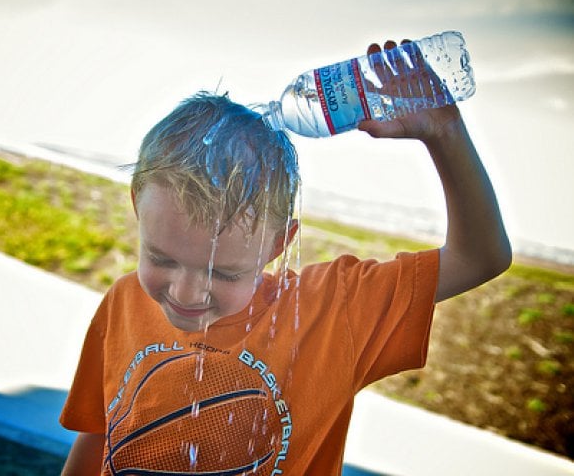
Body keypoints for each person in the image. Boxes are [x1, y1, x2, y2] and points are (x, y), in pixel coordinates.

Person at [59, 40, 512, 475]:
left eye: (224, 272)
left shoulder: (333, 313)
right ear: (138, 206)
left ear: (279, 244)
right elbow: (98, 435)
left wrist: (445, 135)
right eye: (162, 258)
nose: (186, 292)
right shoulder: (123, 302)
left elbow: (480, 257)